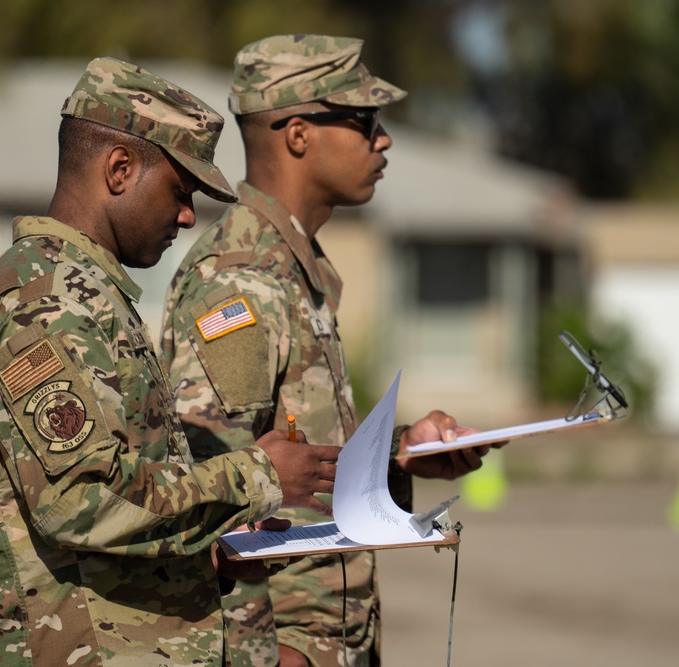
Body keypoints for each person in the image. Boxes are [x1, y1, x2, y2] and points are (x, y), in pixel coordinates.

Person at [0, 57, 339, 667]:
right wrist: (256, 475)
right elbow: (80, 500)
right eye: (180, 191)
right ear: (119, 169)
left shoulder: (84, 294)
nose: (186, 217)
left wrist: (208, 551)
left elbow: (103, 509)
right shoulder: (46, 302)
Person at [161, 35, 491, 667]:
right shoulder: (238, 280)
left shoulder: (291, 267)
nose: (383, 140)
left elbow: (294, 465)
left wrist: (401, 454)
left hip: (335, 642)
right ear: (298, 134)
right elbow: (213, 496)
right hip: (288, 647)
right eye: (365, 121)